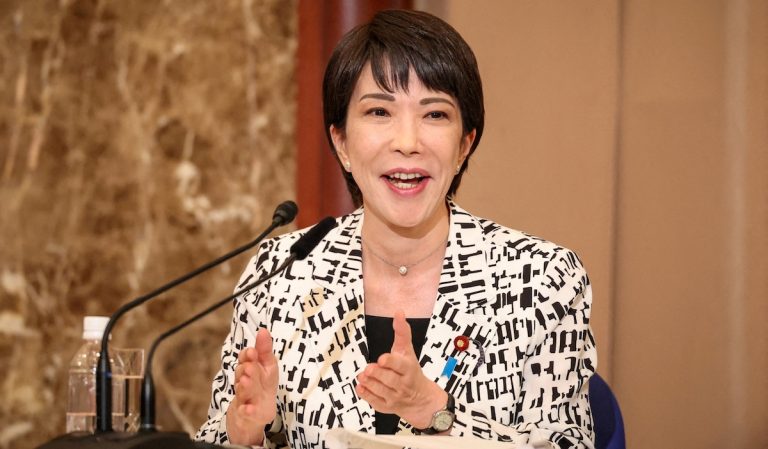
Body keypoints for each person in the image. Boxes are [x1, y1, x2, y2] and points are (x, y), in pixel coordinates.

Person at [196, 9, 596, 449]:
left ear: (464, 145)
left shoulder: (540, 280)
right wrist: (249, 432)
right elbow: (216, 434)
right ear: (342, 143)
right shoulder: (281, 273)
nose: (407, 142)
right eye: (379, 111)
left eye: (435, 115)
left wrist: (435, 411)